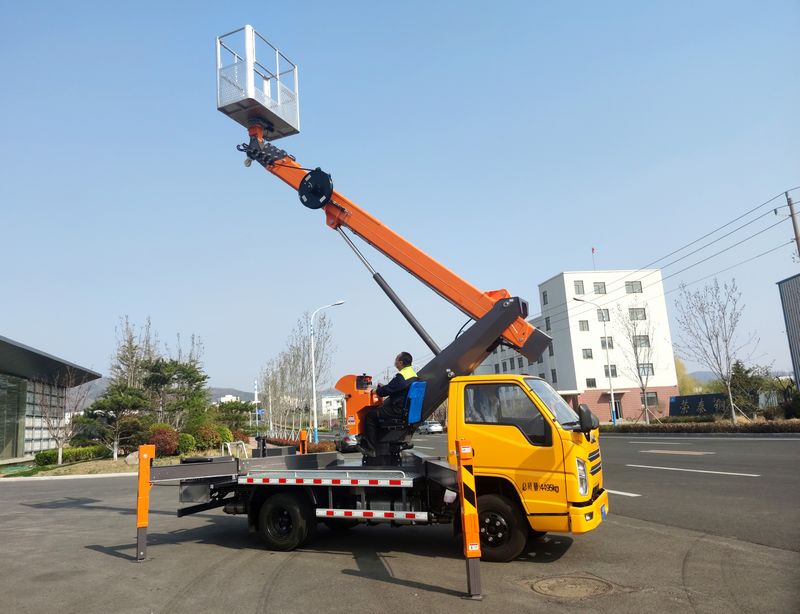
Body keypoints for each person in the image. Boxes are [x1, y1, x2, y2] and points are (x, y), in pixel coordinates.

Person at [361, 352, 418, 456]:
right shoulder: (413, 374)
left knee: (370, 416)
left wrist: (375, 391)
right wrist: (385, 387)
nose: (395, 361)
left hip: (397, 410)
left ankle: (370, 448)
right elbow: (395, 388)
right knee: (377, 414)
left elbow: (386, 391)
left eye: (396, 359)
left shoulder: (402, 376)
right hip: (406, 409)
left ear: (400, 362)